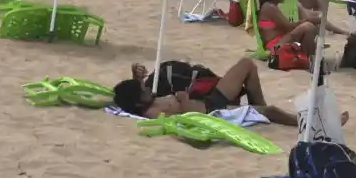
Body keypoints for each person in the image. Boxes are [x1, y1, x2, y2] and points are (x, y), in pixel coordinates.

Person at [112, 57, 299, 124]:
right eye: (141, 89)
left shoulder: (148, 101)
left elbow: (134, 94)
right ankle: (299, 122)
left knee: (247, 64)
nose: (145, 87)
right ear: (137, 101)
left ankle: (257, 110)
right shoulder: (152, 112)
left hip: (208, 99)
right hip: (212, 109)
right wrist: (184, 101)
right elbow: (182, 121)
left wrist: (136, 78)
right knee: (272, 111)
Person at [256, 0, 350, 56]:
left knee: (309, 25)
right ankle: (310, 55)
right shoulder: (269, 7)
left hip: (279, 40)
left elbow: (285, 27)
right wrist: (308, 20)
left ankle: (309, 54)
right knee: (307, 26)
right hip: (276, 44)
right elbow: (288, 27)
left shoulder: (270, 6)